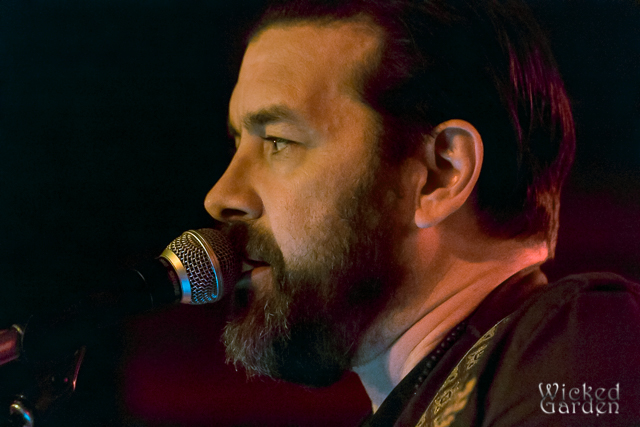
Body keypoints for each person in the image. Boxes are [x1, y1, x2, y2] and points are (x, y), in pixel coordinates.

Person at [203, 0, 640, 425]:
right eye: (237, 143)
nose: (220, 195)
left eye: (278, 141)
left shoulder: (585, 343)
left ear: (439, 175)